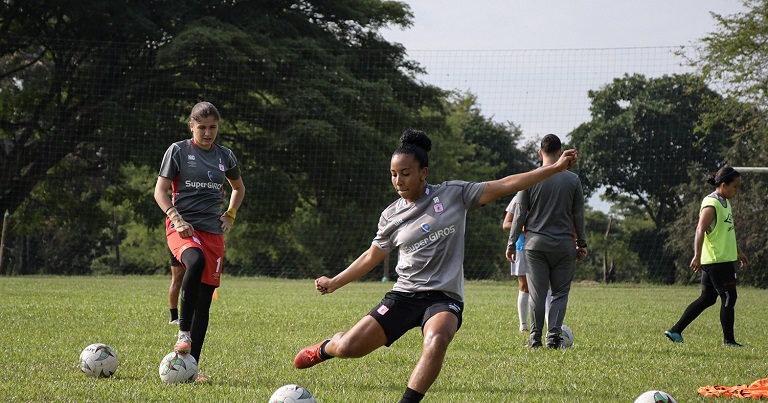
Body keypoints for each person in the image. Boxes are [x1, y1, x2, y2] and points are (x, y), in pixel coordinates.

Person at [293, 129, 578, 403]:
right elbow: (371, 256)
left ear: (423, 173)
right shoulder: (390, 215)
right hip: (404, 295)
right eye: (393, 174)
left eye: (405, 173)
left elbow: (506, 184)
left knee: (438, 338)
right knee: (349, 348)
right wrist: (334, 281)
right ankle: (325, 348)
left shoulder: (454, 194)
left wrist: (553, 169)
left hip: (444, 297)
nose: (398, 181)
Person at [153, 101, 245, 381]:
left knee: (204, 303)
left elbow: (238, 188)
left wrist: (230, 214)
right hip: (182, 228)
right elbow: (160, 190)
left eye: (212, 127)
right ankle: (183, 331)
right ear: (191, 126)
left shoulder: (225, 156)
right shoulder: (178, 150)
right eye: (202, 127)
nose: (207, 133)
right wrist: (175, 216)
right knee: (195, 260)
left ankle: (192, 369)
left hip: (213, 232)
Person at [506, 133, 587, 349]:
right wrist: (582, 243)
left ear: (540, 153)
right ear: (561, 153)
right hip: (563, 247)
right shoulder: (573, 180)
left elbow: (520, 213)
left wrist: (511, 243)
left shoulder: (529, 178)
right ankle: (553, 338)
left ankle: (534, 340)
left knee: (537, 294)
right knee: (560, 293)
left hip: (535, 246)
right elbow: (578, 214)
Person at [664, 166, 748, 347]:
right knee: (729, 297)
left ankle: (675, 330)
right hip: (717, 261)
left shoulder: (725, 203)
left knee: (708, 298)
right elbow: (700, 228)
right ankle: (729, 341)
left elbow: (728, 232)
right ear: (723, 185)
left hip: (722, 259)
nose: (737, 190)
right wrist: (697, 255)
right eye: (735, 186)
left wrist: (739, 252)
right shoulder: (712, 203)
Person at [502, 194, 551, 333]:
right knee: (524, 286)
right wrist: (525, 226)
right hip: (522, 247)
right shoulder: (519, 197)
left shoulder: (547, 196)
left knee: (545, 286)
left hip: (543, 247)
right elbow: (506, 224)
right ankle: (523, 325)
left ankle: (549, 325)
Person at [168, 250, 184, 325]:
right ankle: (174, 317)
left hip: (196, 244)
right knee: (177, 279)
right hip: (178, 244)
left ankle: (193, 315)